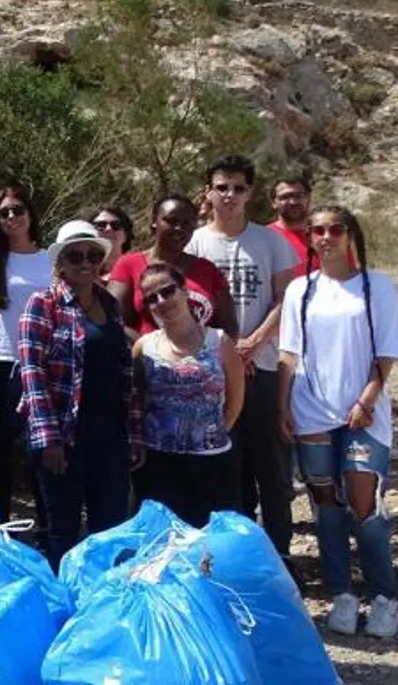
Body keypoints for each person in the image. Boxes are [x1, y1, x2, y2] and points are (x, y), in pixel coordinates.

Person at [280, 205, 398, 639]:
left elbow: (386, 351)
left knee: (364, 505)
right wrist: (282, 406)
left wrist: (368, 399)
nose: (326, 237)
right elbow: (289, 354)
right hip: (311, 409)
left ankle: (384, 598)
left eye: (336, 229)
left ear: (351, 234)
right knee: (325, 506)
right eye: (318, 230)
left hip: (362, 413)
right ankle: (342, 595)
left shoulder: (377, 288)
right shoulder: (301, 289)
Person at [190, 155, 301, 559]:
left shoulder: (271, 242)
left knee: (271, 468)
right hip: (213, 371)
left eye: (238, 188)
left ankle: (281, 558)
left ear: (250, 193)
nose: (230, 195)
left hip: (264, 366)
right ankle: (236, 558)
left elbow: (285, 297)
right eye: (222, 187)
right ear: (209, 192)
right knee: (226, 466)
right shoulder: (196, 242)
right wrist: (227, 349)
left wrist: (253, 342)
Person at [19, 220, 139, 566]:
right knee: (63, 531)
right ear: (61, 264)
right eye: (75, 256)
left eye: (91, 255)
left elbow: (124, 372)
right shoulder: (43, 304)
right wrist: (49, 440)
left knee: (111, 527)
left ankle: (103, 605)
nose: (85, 263)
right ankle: (65, 606)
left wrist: (133, 433)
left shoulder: (110, 305)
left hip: (110, 433)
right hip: (64, 436)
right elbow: (32, 372)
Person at [132, 262, 246, 527]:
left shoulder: (220, 342)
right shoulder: (143, 347)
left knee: (213, 547)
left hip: (212, 462)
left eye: (167, 291)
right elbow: (139, 400)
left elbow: (236, 399)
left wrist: (211, 433)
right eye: (152, 298)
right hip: (160, 463)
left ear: (184, 291)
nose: (161, 301)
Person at [0, 184, 52, 521]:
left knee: (40, 445)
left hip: (40, 360)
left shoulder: (50, 259)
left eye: (17, 210)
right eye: (3, 213)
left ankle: (47, 527)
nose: (11, 217)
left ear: (30, 214)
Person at [106, 195, 238, 339]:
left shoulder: (208, 269)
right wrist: (151, 350)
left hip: (200, 358)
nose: (179, 228)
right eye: (171, 221)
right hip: (146, 358)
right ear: (154, 221)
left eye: (187, 223)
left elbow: (229, 328)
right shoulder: (129, 265)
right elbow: (114, 321)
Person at [266, 174, 313, 262]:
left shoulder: (326, 234)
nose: (293, 202)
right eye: (285, 197)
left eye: (298, 196)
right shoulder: (263, 238)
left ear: (308, 198)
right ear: (273, 203)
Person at [91, 205, 135, 274]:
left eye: (116, 225)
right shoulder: (80, 272)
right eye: (101, 225)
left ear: (126, 235)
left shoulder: (137, 269)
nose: (109, 229)